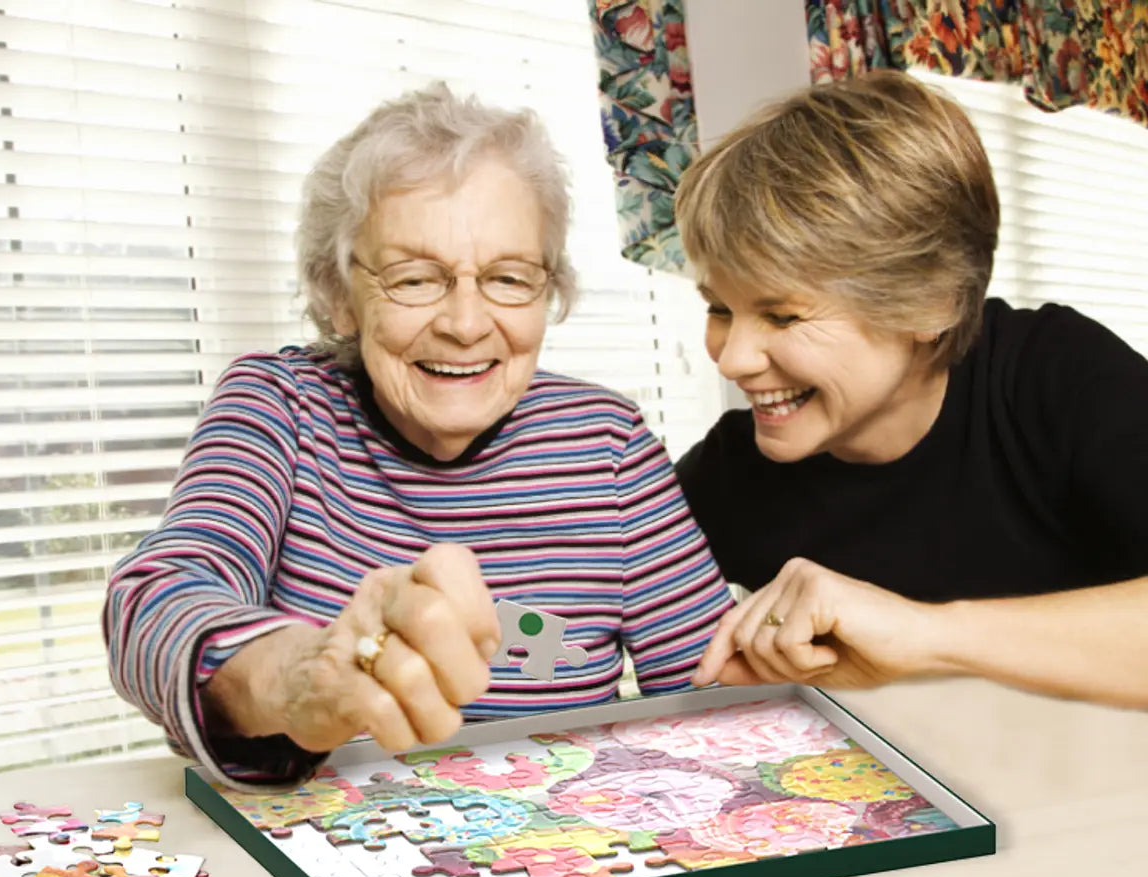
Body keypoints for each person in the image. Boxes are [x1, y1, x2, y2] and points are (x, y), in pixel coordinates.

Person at [103, 84, 734, 788]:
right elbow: (155, 600)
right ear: (339, 294)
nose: (465, 324)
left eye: (507, 278)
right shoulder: (279, 407)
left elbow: (717, 702)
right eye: (414, 279)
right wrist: (300, 677)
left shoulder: (608, 444)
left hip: (565, 862)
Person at [673, 70, 1148, 709]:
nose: (732, 360)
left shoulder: (1057, 377)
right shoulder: (729, 472)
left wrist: (926, 635)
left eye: (782, 316)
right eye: (719, 308)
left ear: (933, 302)